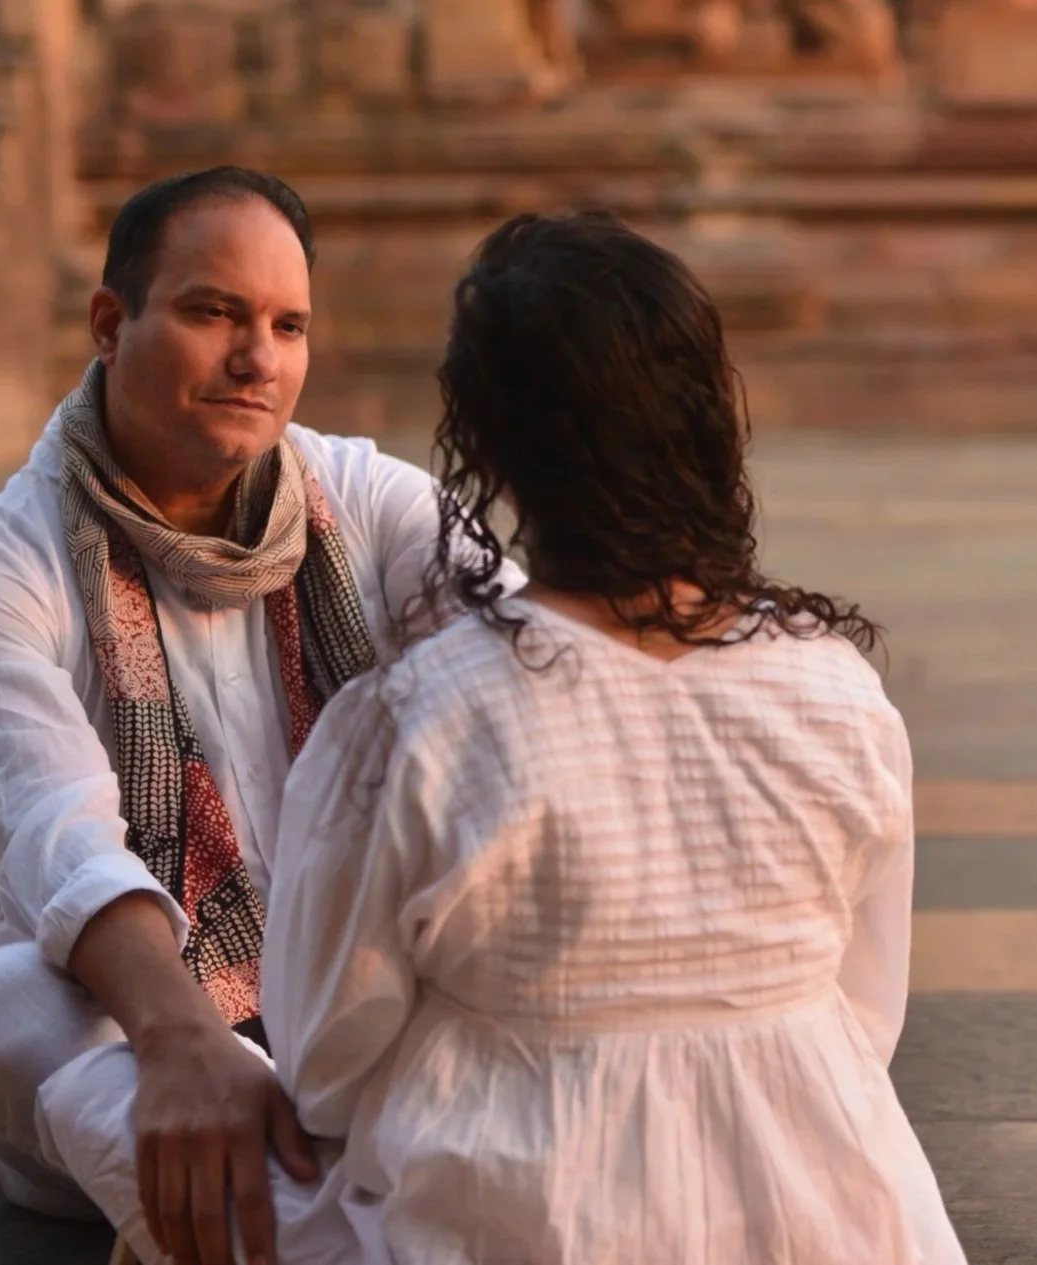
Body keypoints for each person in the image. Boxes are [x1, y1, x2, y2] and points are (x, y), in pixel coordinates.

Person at [247, 212, 967, 1262]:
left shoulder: (415, 719)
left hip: (518, 1213)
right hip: (839, 1212)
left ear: (487, 444)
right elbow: (864, 1012)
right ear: (707, 425)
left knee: (88, 1073)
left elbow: (323, 1060)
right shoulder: (836, 690)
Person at [0, 166, 506, 1265]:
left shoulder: (366, 501)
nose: (257, 356)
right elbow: (59, 838)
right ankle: (339, 1207)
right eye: (211, 312)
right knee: (2, 1008)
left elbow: (527, 670)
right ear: (107, 323)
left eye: (286, 324)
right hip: (139, 1036)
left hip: (362, 1004)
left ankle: (285, 1214)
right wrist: (183, 1036)